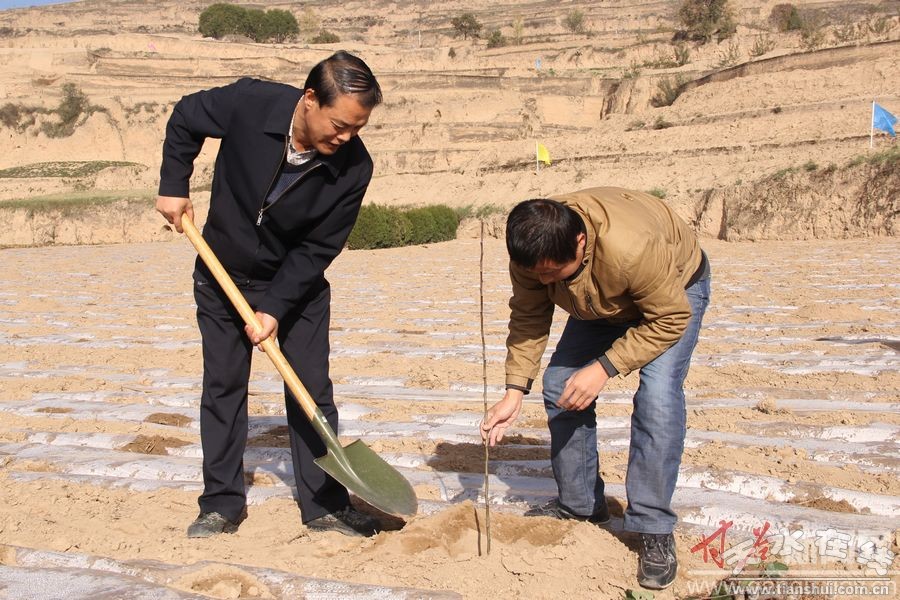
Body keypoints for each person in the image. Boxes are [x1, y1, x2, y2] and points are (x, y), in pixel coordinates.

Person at [156, 51, 383, 539]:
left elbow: (318, 248)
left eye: (357, 128)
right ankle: (220, 504)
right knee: (223, 388)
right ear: (310, 99)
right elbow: (186, 116)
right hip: (222, 273)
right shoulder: (250, 103)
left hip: (295, 286)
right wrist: (173, 184)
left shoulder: (355, 168)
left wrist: (274, 308)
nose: (346, 138)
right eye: (340, 125)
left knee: (311, 392)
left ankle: (325, 506)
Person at [480, 187, 710, 590]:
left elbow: (670, 318)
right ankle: (582, 505)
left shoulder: (631, 247)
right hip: (597, 300)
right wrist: (514, 391)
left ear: (580, 242)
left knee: (657, 397)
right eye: (538, 274)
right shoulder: (535, 252)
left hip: (671, 295)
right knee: (558, 385)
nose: (543, 280)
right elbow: (530, 315)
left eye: (552, 272)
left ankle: (653, 527)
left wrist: (603, 368)